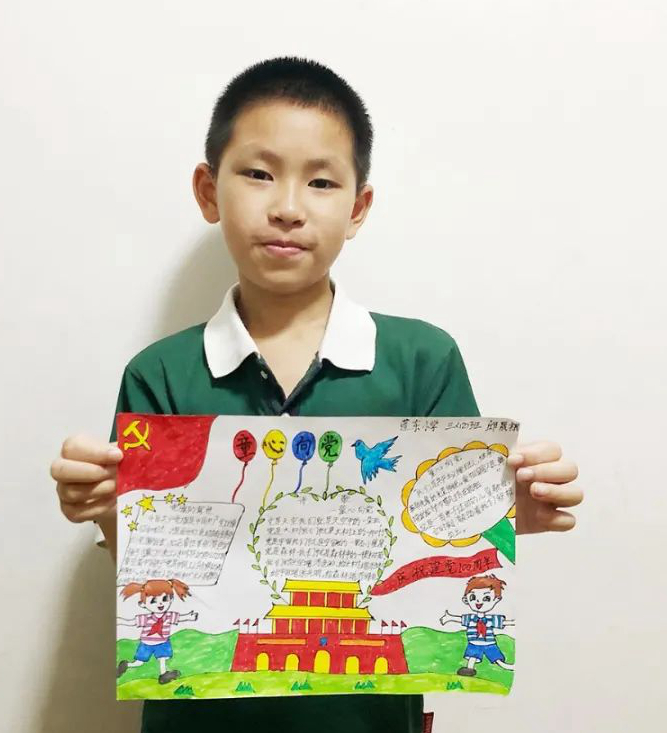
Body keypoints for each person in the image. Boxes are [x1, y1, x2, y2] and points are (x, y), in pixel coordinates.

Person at [50, 56, 583, 733]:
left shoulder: (422, 361)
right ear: (208, 191)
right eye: (258, 173)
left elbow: (449, 547)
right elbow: (155, 570)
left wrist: (506, 517)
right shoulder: (161, 373)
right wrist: (105, 511)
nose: (288, 207)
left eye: (322, 181)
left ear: (358, 208)